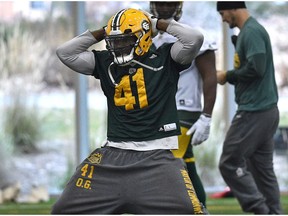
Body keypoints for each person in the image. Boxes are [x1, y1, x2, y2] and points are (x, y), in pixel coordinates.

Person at [51, 8, 206, 214]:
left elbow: (194, 38)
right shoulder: (106, 62)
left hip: (157, 156)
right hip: (112, 154)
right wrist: (102, 31)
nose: (118, 47)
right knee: (63, 211)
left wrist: (157, 24)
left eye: (125, 40)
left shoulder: (166, 57)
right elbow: (65, 52)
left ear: (143, 37)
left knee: (191, 211)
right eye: (114, 41)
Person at [216, 2, 283, 214]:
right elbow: (253, 65)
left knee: (229, 162)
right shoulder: (248, 32)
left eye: (223, 13)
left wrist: (227, 76)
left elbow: (257, 68)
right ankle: (274, 213)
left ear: (234, 8)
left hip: (254, 111)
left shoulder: (252, 32)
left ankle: (259, 209)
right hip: (267, 111)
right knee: (262, 171)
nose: (223, 19)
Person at [150, 1, 217, 207]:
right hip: (158, 109)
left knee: (166, 162)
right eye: (160, 2)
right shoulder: (146, 35)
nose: (165, 7)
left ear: (179, 4)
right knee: (185, 161)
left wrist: (206, 116)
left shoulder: (194, 34)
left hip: (184, 109)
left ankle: (169, 208)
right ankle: (201, 208)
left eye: (170, 2)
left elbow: (210, 77)